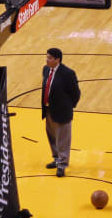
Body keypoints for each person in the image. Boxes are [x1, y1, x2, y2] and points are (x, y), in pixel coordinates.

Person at [41, 48, 80, 177]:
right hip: (48, 109)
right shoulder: (46, 70)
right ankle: (56, 159)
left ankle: (62, 165)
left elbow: (75, 93)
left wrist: (69, 106)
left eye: (50, 58)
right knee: (52, 136)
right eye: (47, 57)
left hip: (62, 111)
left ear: (58, 60)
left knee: (63, 139)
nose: (47, 60)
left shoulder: (68, 73)